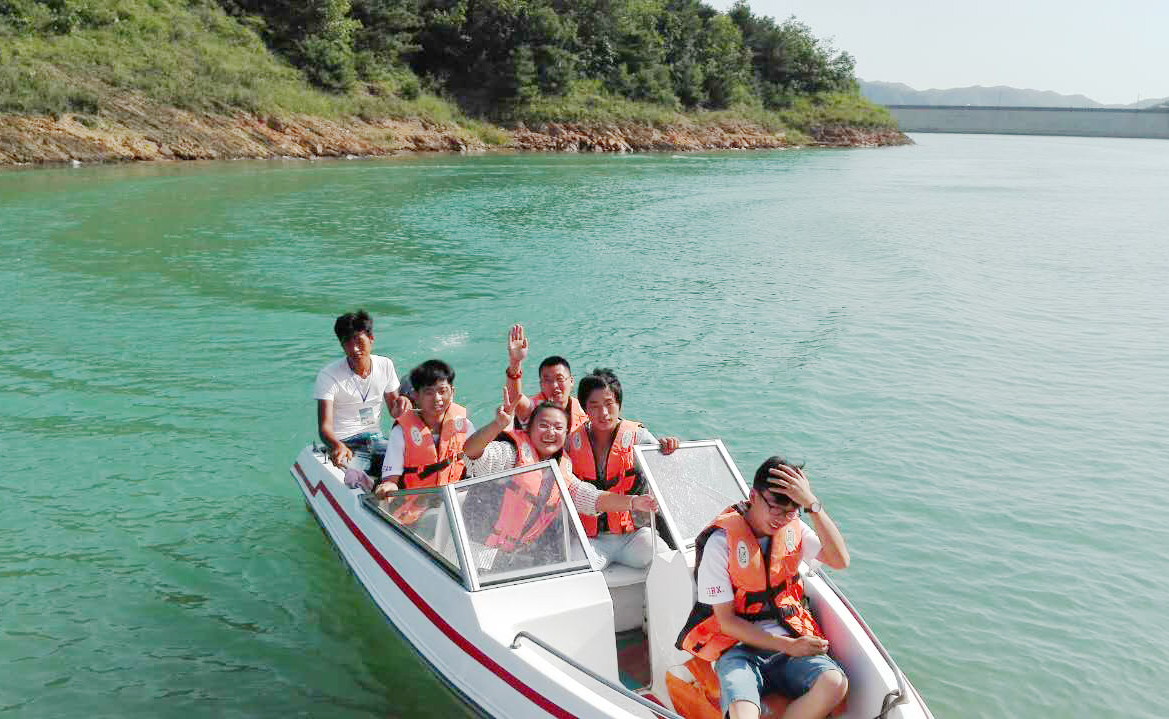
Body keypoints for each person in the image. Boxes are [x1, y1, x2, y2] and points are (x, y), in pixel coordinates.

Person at [675, 457, 850, 719]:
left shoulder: (794, 527)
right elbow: (726, 622)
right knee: (743, 713)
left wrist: (813, 505)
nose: (782, 519)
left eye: (792, 510)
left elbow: (840, 560)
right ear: (753, 496)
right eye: (776, 508)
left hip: (791, 636)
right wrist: (788, 646)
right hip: (738, 649)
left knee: (835, 683)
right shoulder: (721, 543)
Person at [462, 387, 657, 556]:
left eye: (558, 428)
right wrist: (496, 425)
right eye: (543, 425)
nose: (550, 432)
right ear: (529, 429)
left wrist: (633, 502)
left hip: (516, 553)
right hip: (476, 550)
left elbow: (590, 497)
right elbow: (472, 454)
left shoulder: (562, 468)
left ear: (565, 435)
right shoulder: (512, 453)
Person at [565, 368, 680, 569]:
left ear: (619, 404)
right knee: (574, 569)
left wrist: (669, 449)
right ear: (584, 409)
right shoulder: (571, 443)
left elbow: (669, 478)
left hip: (635, 536)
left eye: (609, 404)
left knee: (669, 563)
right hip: (592, 540)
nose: (603, 413)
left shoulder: (639, 437)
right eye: (594, 406)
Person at [374, 359, 473, 524]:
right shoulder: (401, 433)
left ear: (452, 392)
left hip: (453, 500)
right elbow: (391, 480)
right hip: (416, 507)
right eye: (429, 392)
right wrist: (388, 487)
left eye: (442, 391)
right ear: (415, 396)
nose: (437, 398)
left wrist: (499, 424)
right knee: (434, 521)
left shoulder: (464, 425)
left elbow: (479, 456)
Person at [314, 310, 406, 478]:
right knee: (358, 474)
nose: (354, 348)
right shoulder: (328, 375)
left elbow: (395, 411)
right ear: (342, 345)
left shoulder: (385, 365)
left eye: (358, 340)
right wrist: (337, 445)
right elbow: (324, 427)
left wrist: (402, 404)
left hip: (376, 439)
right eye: (347, 342)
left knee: (409, 462)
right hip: (345, 443)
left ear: (371, 338)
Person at [503, 324, 587, 432]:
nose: (554, 385)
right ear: (541, 385)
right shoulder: (533, 409)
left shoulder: (584, 408)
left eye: (560, 379)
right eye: (548, 381)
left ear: (571, 381)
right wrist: (515, 362)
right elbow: (514, 399)